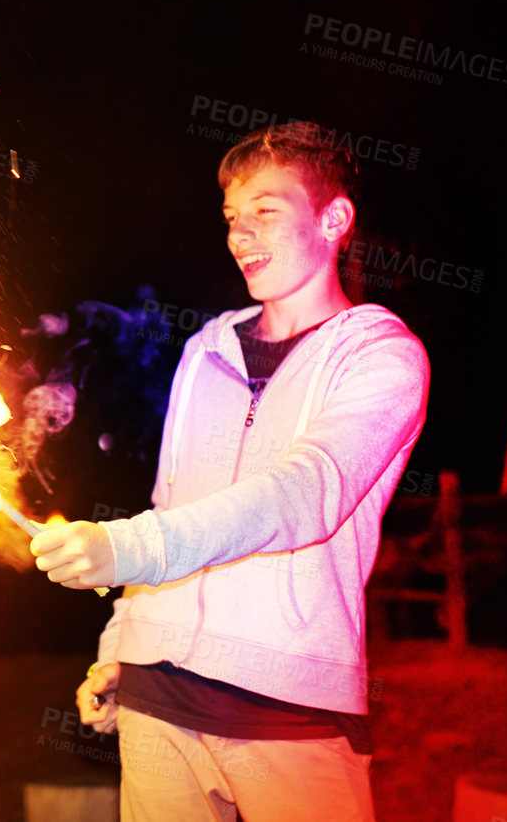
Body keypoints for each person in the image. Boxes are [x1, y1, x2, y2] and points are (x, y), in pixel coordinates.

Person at [29, 121, 430, 821]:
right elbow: (168, 503)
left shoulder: (379, 355)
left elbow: (303, 493)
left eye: (265, 213)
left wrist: (124, 544)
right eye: (231, 219)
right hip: (157, 698)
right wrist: (121, 645)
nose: (239, 235)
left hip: (289, 706)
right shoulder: (205, 350)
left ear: (334, 220)